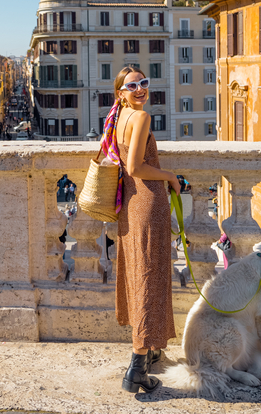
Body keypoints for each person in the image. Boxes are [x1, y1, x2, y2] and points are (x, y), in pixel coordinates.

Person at [105, 66, 182, 394]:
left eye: (144, 83)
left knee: (139, 275)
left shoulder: (118, 116)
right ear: (120, 91)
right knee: (151, 277)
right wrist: (171, 177)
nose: (140, 89)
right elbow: (136, 166)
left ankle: (150, 348)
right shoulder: (140, 117)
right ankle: (137, 366)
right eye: (132, 85)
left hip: (130, 206)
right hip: (148, 202)